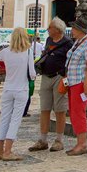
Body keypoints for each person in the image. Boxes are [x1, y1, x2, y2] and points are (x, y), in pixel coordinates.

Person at [0, 27, 37, 162]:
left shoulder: (5, 52)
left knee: (4, 119)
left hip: (7, 89)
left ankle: (0, 151)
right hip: (21, 90)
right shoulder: (28, 53)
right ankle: (8, 151)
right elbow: (33, 74)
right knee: (15, 120)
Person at [28, 18, 73, 153]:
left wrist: (66, 78)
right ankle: (43, 139)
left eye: (50, 27)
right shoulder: (48, 40)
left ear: (57, 29)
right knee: (45, 108)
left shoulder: (68, 43)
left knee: (60, 110)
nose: (47, 29)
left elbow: (70, 61)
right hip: (46, 77)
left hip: (59, 77)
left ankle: (59, 140)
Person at [64, 17, 87, 156]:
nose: (71, 30)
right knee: (74, 112)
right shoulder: (77, 42)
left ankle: (82, 144)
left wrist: (86, 85)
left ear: (79, 30)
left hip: (80, 83)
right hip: (73, 82)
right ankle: (79, 142)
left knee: (78, 113)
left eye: (74, 28)